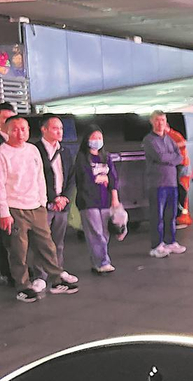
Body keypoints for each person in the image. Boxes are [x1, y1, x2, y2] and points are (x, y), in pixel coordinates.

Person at [0, 115, 80, 302]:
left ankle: (56, 279)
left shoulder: (32, 150)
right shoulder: (2, 153)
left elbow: (39, 178)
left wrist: (42, 202)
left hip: (36, 206)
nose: (20, 133)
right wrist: (4, 212)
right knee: (19, 250)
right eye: (15, 129)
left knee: (47, 245)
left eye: (24, 129)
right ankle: (23, 286)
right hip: (15, 207)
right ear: (7, 131)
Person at [31, 115, 76, 290]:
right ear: (44, 129)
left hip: (62, 205)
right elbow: (37, 177)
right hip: (43, 204)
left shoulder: (65, 151)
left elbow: (71, 176)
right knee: (41, 242)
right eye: (55, 128)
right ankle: (40, 276)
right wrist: (53, 198)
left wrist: (64, 197)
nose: (59, 132)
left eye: (61, 128)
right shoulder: (35, 150)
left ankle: (57, 272)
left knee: (58, 241)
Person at [74, 127, 120, 273]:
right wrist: (100, 178)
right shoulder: (82, 158)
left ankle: (98, 261)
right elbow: (84, 179)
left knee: (105, 233)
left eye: (100, 137)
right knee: (95, 233)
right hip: (88, 201)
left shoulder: (106, 157)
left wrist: (115, 198)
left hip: (105, 200)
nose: (97, 141)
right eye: (94, 137)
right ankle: (102, 262)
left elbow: (113, 178)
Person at [142, 110, 187, 258]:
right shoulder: (149, 140)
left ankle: (170, 242)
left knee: (170, 215)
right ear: (152, 121)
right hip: (157, 184)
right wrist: (171, 158)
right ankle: (157, 245)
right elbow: (160, 157)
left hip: (172, 183)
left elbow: (179, 157)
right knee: (157, 216)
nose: (160, 123)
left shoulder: (169, 140)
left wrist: (169, 158)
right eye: (157, 120)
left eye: (162, 120)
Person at [0, 101, 15, 284]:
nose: (8, 122)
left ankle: (16, 269)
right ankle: (7, 271)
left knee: (15, 237)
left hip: (16, 197)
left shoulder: (20, 140)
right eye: (4, 118)